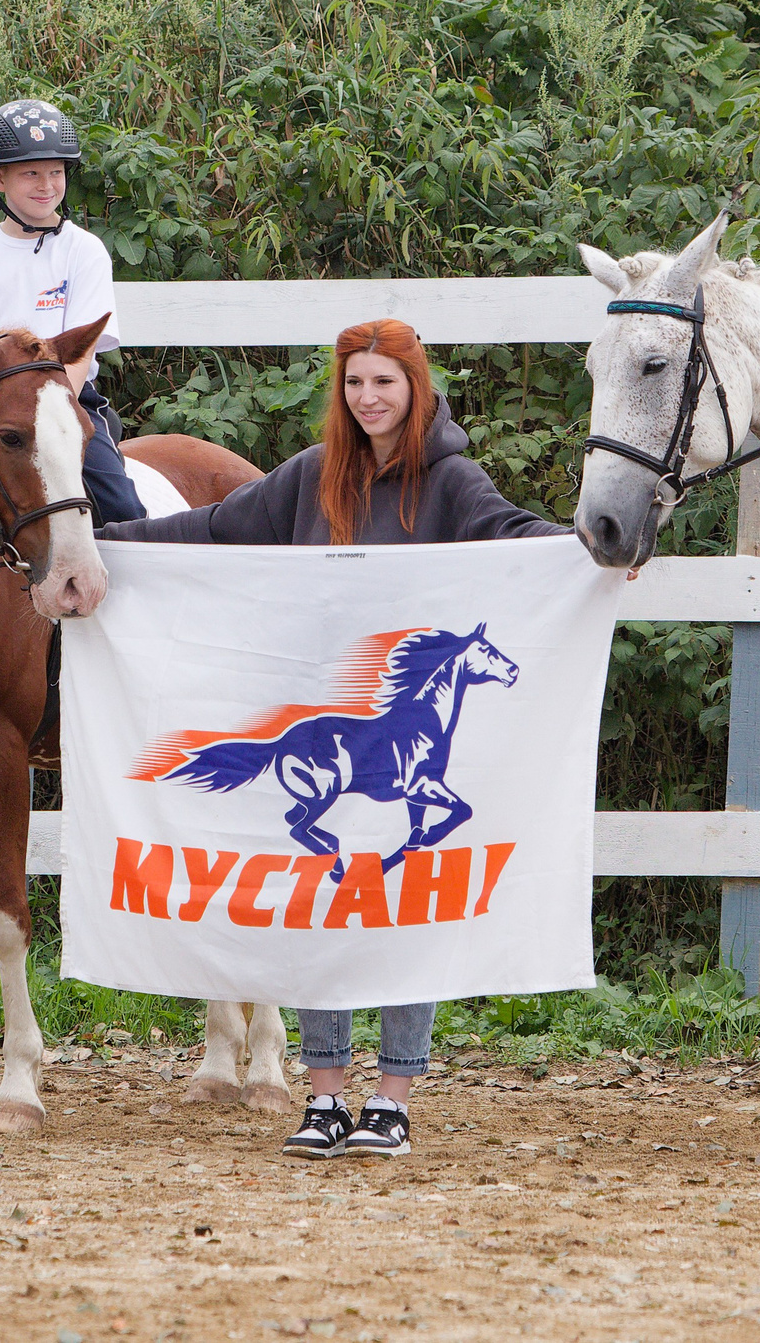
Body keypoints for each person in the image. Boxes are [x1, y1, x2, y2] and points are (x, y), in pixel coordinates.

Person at [98, 318, 567, 1159]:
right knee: (320, 911)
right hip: (335, 727)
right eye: (355, 383)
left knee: (405, 917)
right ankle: (324, 1096)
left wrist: (588, 555)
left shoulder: (452, 481)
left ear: (414, 387)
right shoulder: (314, 477)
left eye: (384, 381)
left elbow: (510, 534)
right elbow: (211, 530)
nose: (368, 398)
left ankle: (393, 1095)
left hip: (408, 740)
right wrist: (101, 549)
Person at [0, 98, 146, 524]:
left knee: (123, 509)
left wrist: (49, 414)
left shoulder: (83, 251)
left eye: (56, 172)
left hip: (63, 402)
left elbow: (80, 354)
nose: (47, 184)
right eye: (31, 173)